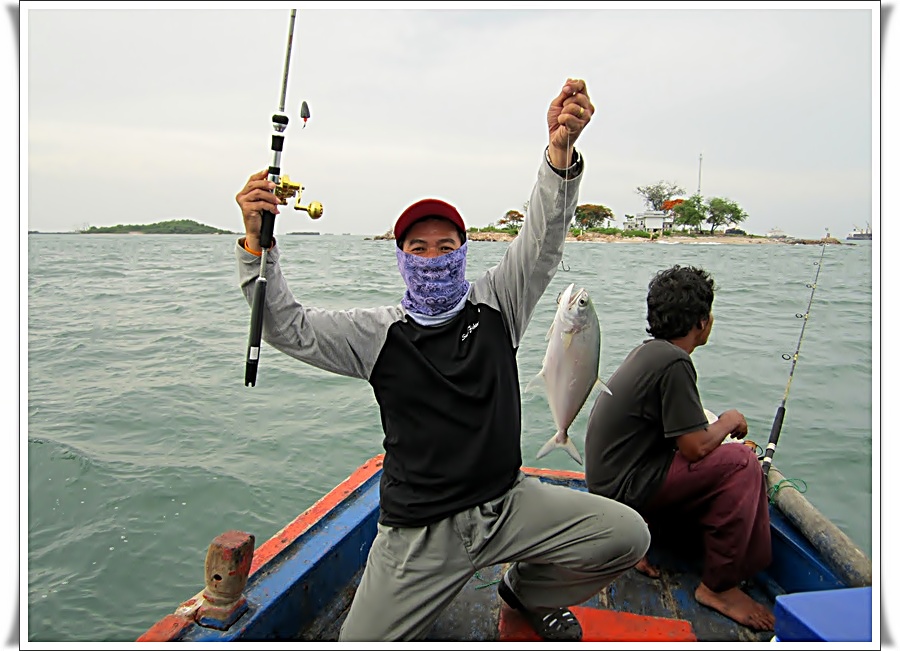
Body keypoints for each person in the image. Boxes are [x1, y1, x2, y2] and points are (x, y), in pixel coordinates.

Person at [233, 78, 650, 642]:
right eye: (418, 248)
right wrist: (258, 246)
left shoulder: (501, 301)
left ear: (464, 252)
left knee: (627, 536)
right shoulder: (376, 334)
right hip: (418, 534)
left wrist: (560, 154)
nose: (433, 258)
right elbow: (287, 326)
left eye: (446, 246)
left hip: (508, 504)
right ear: (401, 259)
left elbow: (543, 238)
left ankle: (523, 591)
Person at [583, 265, 776, 631]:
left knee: (723, 456)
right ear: (703, 322)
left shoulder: (648, 352)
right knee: (740, 462)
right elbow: (695, 449)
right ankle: (718, 587)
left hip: (610, 488)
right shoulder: (674, 361)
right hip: (624, 492)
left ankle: (637, 539)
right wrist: (730, 420)